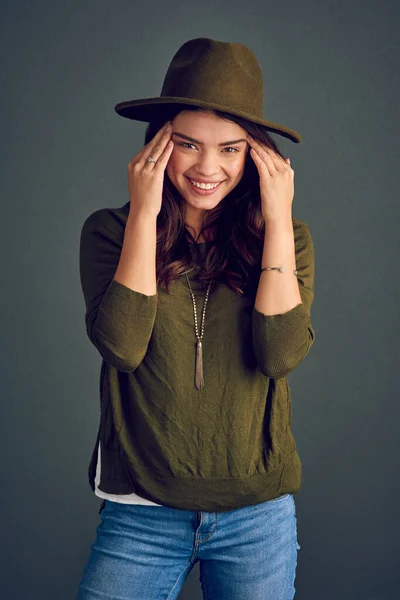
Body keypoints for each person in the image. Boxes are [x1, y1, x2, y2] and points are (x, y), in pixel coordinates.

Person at [77, 37, 315, 600]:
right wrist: (144, 211)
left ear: (256, 156)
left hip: (257, 516)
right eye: (188, 144)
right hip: (141, 511)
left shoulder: (287, 241)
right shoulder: (110, 231)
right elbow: (123, 345)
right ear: (159, 145)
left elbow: (281, 353)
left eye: (231, 149)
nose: (209, 167)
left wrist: (279, 219)